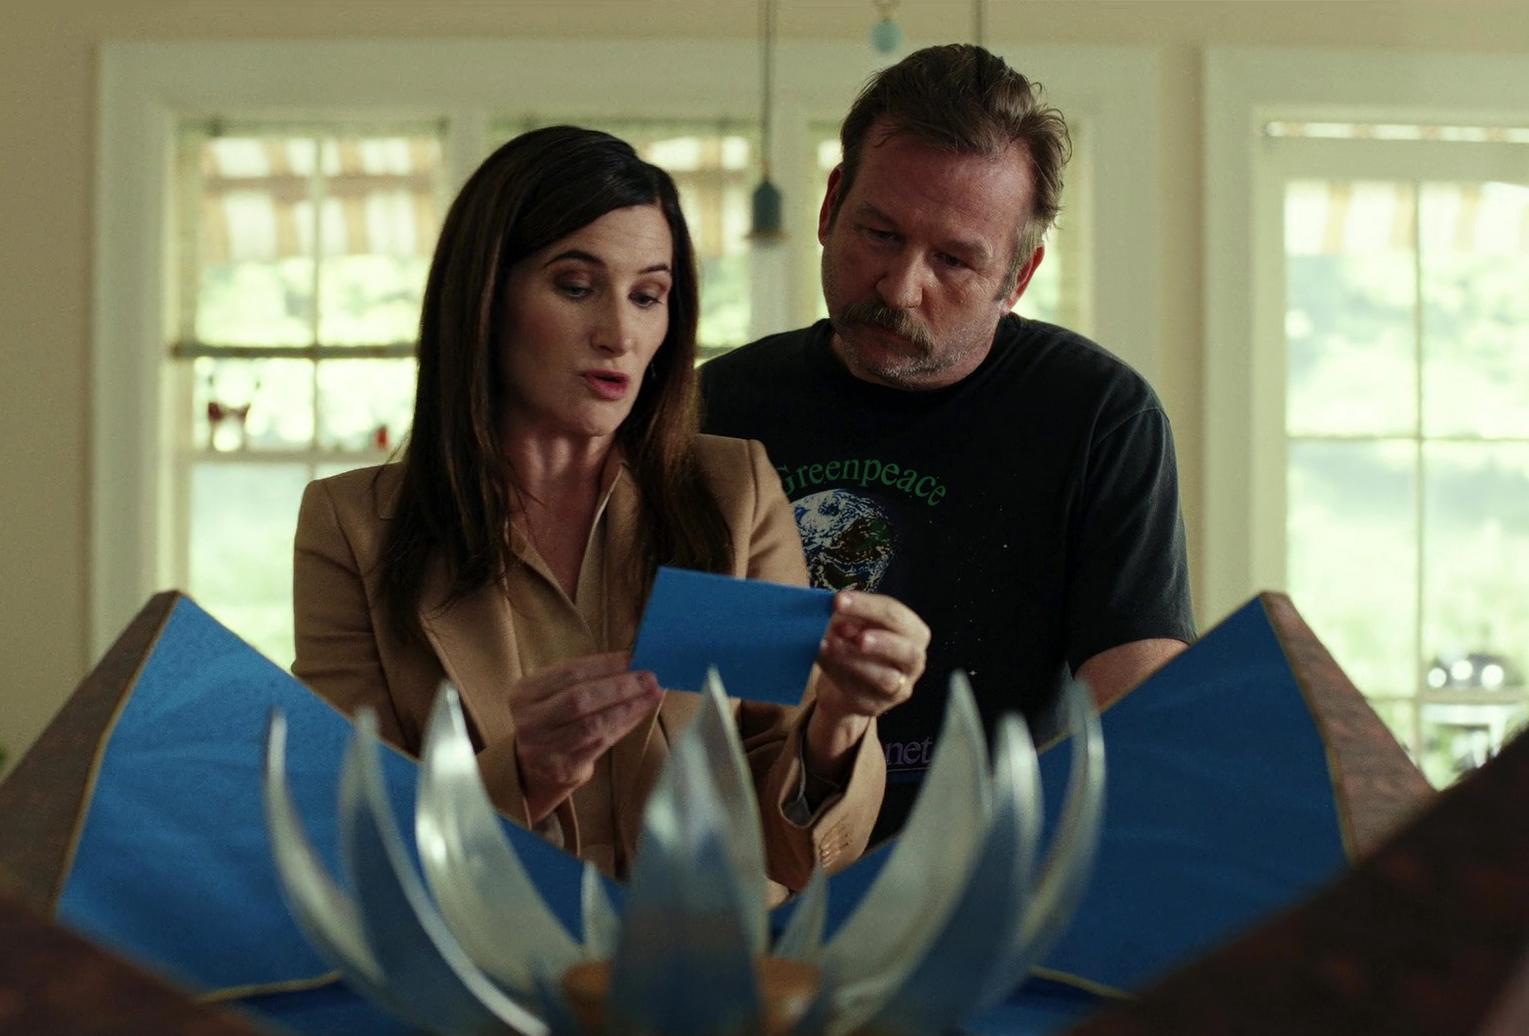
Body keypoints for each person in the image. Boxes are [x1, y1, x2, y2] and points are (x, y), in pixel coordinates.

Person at [292, 126, 927, 890]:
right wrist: (521, 776)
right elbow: (349, 833)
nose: (620, 334)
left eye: (647, 296)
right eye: (575, 286)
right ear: (486, 297)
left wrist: (842, 720)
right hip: (481, 955)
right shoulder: (351, 527)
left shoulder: (737, 494)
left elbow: (794, 855)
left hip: (710, 958)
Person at [701, 45, 1194, 842]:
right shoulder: (714, 409)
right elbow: (685, 706)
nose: (900, 288)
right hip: (761, 861)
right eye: (879, 234)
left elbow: (1142, 724)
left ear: (1018, 278)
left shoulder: (1099, 417)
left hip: (1006, 866)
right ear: (830, 207)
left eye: (955, 260)